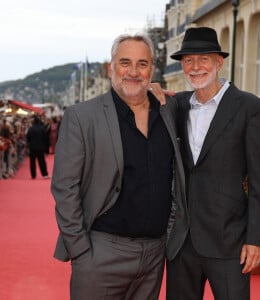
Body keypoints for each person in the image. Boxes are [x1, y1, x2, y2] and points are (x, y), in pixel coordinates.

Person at [51, 33, 186, 300]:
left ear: (152, 69)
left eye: (142, 64)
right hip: (100, 252)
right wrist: (80, 251)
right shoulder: (81, 117)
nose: (133, 72)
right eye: (125, 63)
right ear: (111, 67)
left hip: (154, 255)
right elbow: (64, 187)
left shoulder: (169, 111)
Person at [151, 27, 260, 300]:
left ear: (219, 62)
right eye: (188, 61)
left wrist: (256, 240)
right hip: (182, 244)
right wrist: (149, 91)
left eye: (203, 59)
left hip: (230, 243)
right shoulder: (177, 105)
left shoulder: (249, 107)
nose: (195, 67)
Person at [26, 115, 49, 179]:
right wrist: (46, 149)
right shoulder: (42, 128)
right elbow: (46, 139)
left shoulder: (30, 129)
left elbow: (28, 138)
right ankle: (45, 174)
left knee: (32, 162)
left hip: (32, 147)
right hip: (41, 147)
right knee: (42, 161)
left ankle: (33, 175)